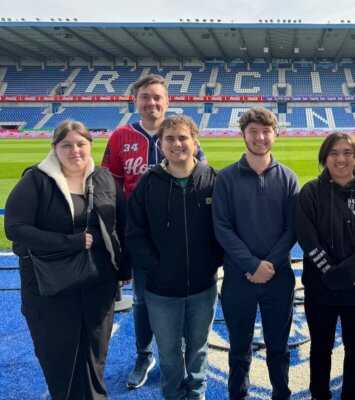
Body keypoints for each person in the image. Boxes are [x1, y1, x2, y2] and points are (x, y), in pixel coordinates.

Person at [4, 120, 131, 399]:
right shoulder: (36, 181)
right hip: (49, 286)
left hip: (98, 284)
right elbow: (15, 228)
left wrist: (124, 267)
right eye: (67, 145)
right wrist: (70, 242)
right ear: (54, 148)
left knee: (95, 352)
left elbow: (122, 224)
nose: (75, 150)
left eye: (81, 144)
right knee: (60, 356)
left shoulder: (104, 178)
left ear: (90, 146)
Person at [101, 74, 207, 389]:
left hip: (179, 237)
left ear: (167, 101)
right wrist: (117, 235)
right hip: (138, 236)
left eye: (157, 97)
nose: (152, 103)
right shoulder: (121, 136)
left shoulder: (180, 134)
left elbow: (199, 181)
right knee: (142, 301)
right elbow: (111, 188)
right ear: (136, 101)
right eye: (145, 97)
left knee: (185, 298)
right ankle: (144, 355)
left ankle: (180, 356)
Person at [126, 115, 222, 400]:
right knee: (168, 355)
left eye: (183, 138)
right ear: (161, 144)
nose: (177, 144)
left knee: (198, 350)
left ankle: (197, 394)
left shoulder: (212, 179)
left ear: (195, 143)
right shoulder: (148, 183)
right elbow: (134, 233)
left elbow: (225, 229)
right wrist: (156, 269)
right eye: (170, 139)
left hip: (203, 288)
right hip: (161, 290)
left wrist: (210, 263)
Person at [212, 107, 299, 400]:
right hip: (238, 278)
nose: (260, 137)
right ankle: (238, 395)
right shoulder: (225, 178)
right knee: (238, 348)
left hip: (278, 278)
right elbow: (222, 228)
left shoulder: (288, 178)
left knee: (279, 346)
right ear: (243, 134)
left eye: (266, 131)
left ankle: (281, 394)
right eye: (253, 131)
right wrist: (251, 264)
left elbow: (292, 229)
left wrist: (268, 265)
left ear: (275, 134)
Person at [295, 132, 355, 400]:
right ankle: (319, 394)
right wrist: (329, 272)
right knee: (320, 347)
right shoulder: (311, 191)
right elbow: (306, 237)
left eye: (347, 152)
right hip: (320, 288)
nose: (341, 158)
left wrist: (346, 274)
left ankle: (351, 394)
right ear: (324, 158)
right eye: (334, 153)